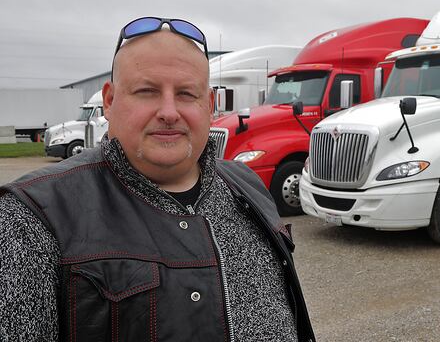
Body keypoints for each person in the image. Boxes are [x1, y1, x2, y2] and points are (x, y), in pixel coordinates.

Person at [0, 17, 314, 341]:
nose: (169, 111)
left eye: (186, 94)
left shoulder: (247, 185)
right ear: (109, 101)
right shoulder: (30, 219)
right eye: (147, 91)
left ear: (209, 105)